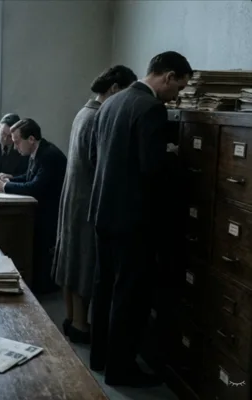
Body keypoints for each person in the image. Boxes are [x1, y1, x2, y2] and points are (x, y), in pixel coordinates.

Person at [87, 51, 192, 386]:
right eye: (179, 88)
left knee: (105, 287)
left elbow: (95, 157)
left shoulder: (110, 104)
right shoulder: (150, 108)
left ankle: (99, 357)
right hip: (133, 221)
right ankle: (121, 369)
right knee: (130, 296)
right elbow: (151, 169)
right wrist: (172, 156)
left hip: (103, 213)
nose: (176, 97)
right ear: (168, 76)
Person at [51, 65, 138, 344]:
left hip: (74, 196)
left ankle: (71, 319)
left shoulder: (83, 112)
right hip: (87, 198)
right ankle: (80, 324)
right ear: (114, 89)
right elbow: (100, 163)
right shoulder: (97, 117)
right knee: (84, 260)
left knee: (70, 258)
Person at [0, 118, 67, 294]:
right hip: (40, 208)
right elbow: (29, 177)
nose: (15, 147)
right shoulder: (38, 150)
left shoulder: (48, 155)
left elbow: (34, 187)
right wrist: (9, 179)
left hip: (50, 213)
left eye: (17, 142)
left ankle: (39, 287)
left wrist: (5, 187)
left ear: (31, 139)